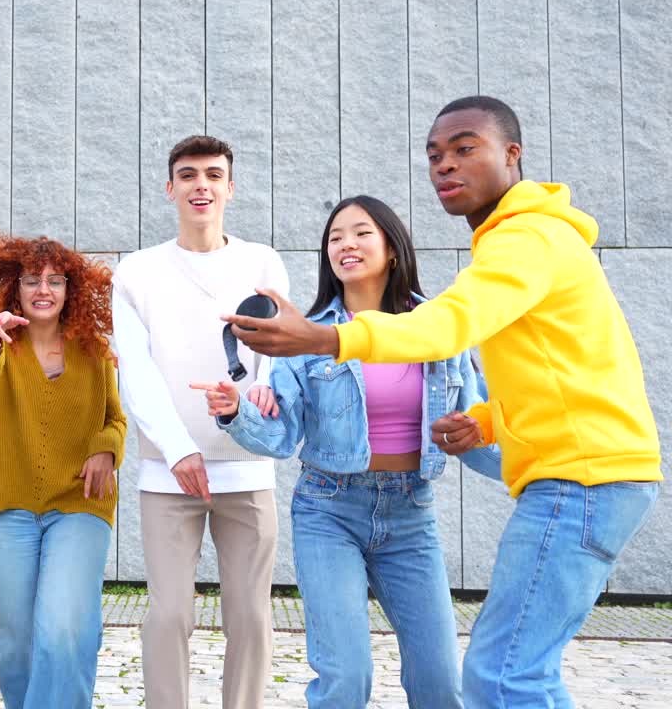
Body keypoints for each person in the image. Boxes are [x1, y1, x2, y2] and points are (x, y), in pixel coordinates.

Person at [227, 96, 662, 708]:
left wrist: (329, 340)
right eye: (434, 155)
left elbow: (450, 325)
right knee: (508, 672)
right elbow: (554, 373)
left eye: (465, 148)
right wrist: (482, 423)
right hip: (345, 503)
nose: (445, 165)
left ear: (513, 155)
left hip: (574, 482)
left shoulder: (524, 238)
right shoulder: (522, 241)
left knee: (495, 678)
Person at [197, 196, 500, 708]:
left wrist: (537, 468)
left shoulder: (438, 327)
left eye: (361, 233)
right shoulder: (310, 335)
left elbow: (473, 432)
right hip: (329, 511)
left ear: (392, 247)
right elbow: (281, 436)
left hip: (412, 512)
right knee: (345, 677)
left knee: (440, 680)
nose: (346, 244)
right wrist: (236, 412)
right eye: (335, 237)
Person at [112, 135, 289, 709]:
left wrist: (259, 393)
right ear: (170, 189)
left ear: (230, 188)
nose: (201, 186)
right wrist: (177, 448)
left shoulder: (263, 263)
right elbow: (136, 370)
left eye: (214, 175)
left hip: (247, 469)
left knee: (251, 617)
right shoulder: (136, 271)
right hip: (168, 475)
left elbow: (277, 354)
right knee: (168, 615)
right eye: (188, 175)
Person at [0, 233, 127, 709]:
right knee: (17, 645)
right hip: (4, 509)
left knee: (65, 627)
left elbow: (115, 419)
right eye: (32, 280)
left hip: (79, 505)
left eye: (55, 280)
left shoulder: (94, 351)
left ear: (70, 290)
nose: (43, 289)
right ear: (17, 288)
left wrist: (106, 450)